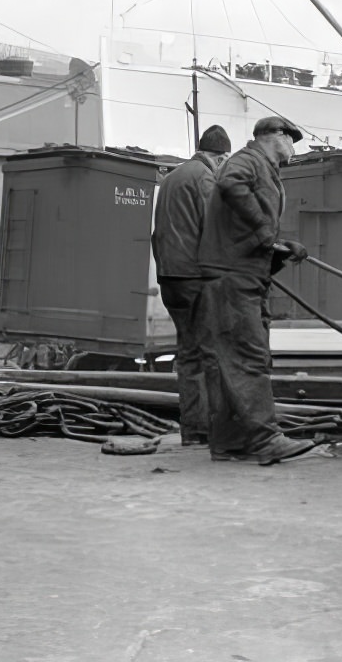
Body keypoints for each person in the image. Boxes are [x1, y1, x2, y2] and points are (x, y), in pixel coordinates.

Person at [197, 115, 316, 465]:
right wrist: (266, 233)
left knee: (235, 359)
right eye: (290, 139)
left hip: (243, 273)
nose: (293, 148)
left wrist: (278, 247)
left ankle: (229, 442)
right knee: (249, 357)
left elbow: (244, 222)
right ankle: (265, 440)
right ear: (273, 136)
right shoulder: (248, 161)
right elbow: (231, 183)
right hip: (233, 276)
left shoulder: (265, 170)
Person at [151, 124, 232, 446]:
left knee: (187, 353)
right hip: (194, 277)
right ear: (222, 156)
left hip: (170, 276)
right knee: (211, 353)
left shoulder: (171, 177)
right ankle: (209, 430)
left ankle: (192, 429)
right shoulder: (205, 178)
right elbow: (215, 228)